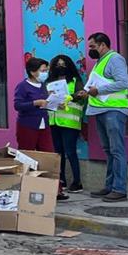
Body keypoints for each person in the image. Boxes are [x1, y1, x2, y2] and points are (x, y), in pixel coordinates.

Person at [81, 32, 128, 202]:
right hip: (101, 110)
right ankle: (110, 186)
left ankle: (119, 188)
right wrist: (87, 92)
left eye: (93, 46)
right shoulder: (99, 63)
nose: (91, 50)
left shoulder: (115, 59)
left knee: (117, 150)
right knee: (109, 151)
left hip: (114, 110)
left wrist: (98, 91)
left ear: (102, 45)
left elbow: (123, 83)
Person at [47, 54, 85, 193]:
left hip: (70, 122)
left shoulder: (75, 81)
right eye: (57, 65)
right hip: (54, 121)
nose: (60, 67)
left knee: (70, 152)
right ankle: (60, 180)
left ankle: (77, 182)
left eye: (63, 64)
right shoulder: (49, 82)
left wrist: (70, 98)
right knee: (58, 152)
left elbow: (81, 97)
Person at [13, 57, 54, 153]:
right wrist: (35, 103)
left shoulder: (43, 85)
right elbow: (17, 105)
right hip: (27, 125)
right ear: (32, 72)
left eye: (46, 71)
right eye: (43, 71)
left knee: (48, 153)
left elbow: (46, 103)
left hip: (44, 125)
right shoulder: (23, 86)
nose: (45, 73)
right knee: (27, 154)